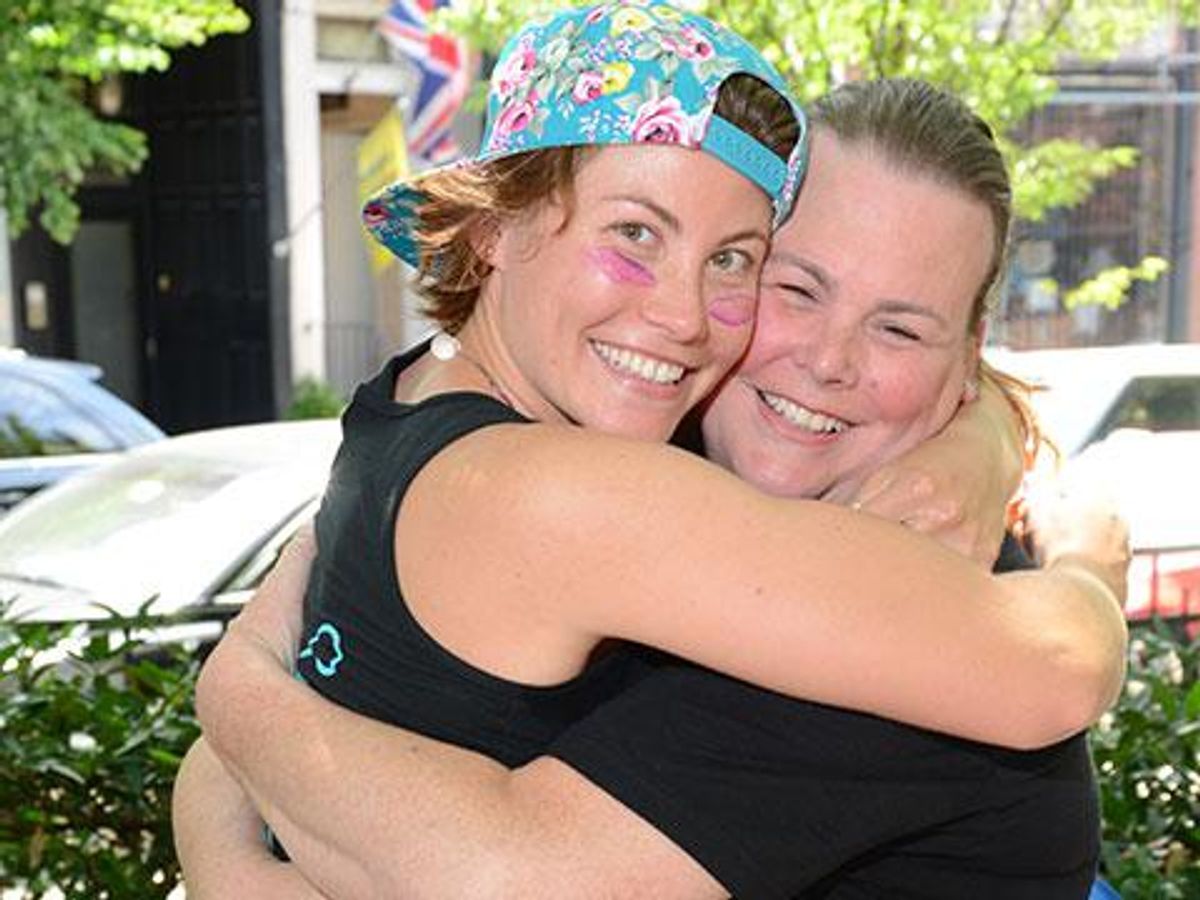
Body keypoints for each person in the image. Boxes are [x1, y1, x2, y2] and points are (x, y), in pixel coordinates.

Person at [177, 51, 1128, 900]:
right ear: (492, 232)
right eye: (793, 287)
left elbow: (499, 876)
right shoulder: (607, 468)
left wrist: (236, 701)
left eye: (902, 327)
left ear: (968, 360)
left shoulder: (882, 615)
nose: (830, 361)